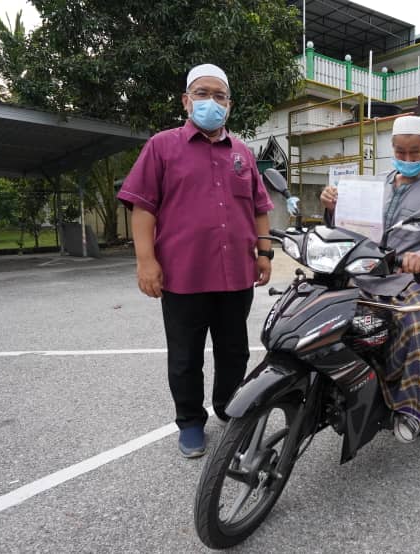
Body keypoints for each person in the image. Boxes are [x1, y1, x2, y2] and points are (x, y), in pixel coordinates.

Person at [118, 63, 281, 458]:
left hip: (236, 275)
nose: (211, 102)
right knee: (185, 356)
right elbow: (142, 208)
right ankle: (191, 422)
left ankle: (228, 409)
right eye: (203, 93)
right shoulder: (162, 146)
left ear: (229, 104)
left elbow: (259, 207)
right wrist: (145, 261)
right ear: (186, 100)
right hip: (183, 275)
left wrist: (264, 253)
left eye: (219, 95)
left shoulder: (242, 152)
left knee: (234, 351)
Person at [319, 115, 420, 443]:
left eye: (415, 152)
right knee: (322, 308)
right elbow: (347, 226)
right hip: (364, 272)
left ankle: (412, 408)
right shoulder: (373, 186)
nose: (408, 159)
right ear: (392, 148)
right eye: (401, 152)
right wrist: (331, 206)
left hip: (408, 280)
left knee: (417, 324)